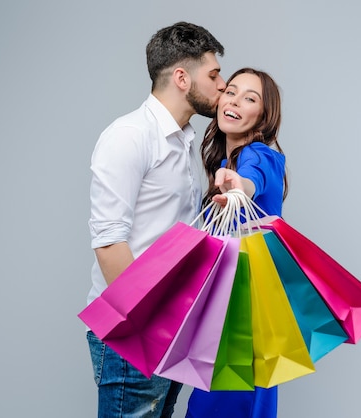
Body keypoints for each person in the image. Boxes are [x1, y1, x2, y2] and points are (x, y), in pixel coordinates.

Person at [85, 22, 225, 418]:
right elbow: (110, 244)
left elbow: (180, 230)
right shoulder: (128, 136)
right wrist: (151, 330)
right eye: (213, 74)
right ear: (182, 78)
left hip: (171, 327)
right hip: (135, 330)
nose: (222, 84)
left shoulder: (187, 139)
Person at [186, 67, 288, 418]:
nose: (235, 102)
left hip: (243, 321)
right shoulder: (223, 161)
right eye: (231, 91)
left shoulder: (260, 157)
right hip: (236, 314)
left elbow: (251, 180)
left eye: (250, 98)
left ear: (264, 113)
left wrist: (238, 186)